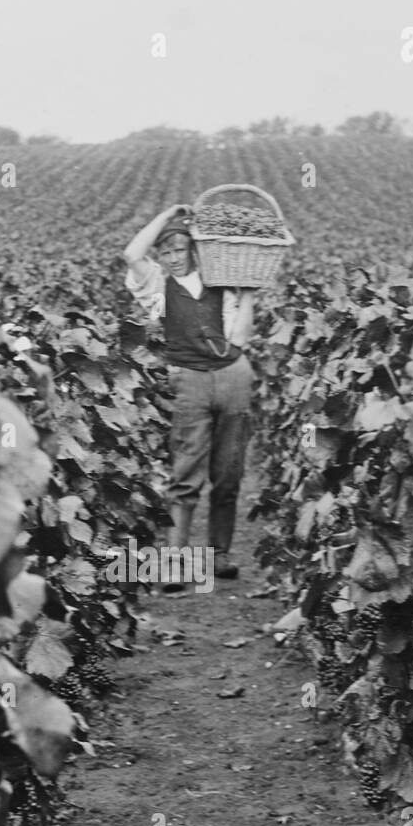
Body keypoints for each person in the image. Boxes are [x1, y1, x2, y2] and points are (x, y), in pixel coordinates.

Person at [123, 203, 257, 589]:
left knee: (229, 473)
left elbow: (242, 339)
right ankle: (174, 564)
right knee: (185, 474)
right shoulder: (154, 284)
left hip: (234, 375)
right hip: (189, 381)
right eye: (165, 253)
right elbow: (132, 254)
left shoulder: (222, 281)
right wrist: (165, 215)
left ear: (194, 251)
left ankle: (219, 556)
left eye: (180, 250)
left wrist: (247, 297)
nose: (173, 259)